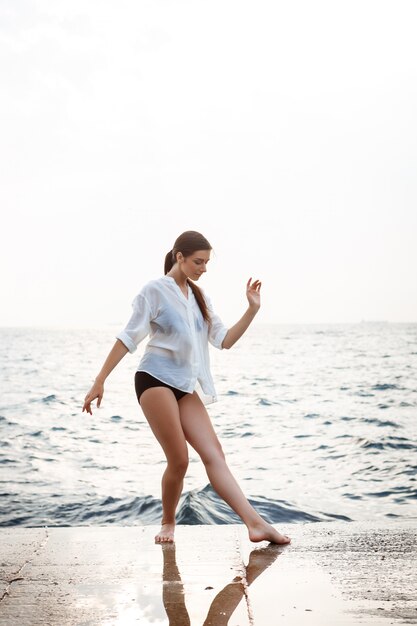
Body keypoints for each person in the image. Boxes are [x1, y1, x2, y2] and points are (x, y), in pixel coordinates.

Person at [82, 231, 291, 546]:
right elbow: (128, 337)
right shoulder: (154, 290)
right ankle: (168, 522)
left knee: (214, 455)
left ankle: (255, 524)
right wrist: (100, 379)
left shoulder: (200, 297)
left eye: (206, 262)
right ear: (179, 256)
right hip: (154, 379)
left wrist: (251, 309)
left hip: (183, 385)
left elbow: (224, 341)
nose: (203, 268)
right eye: (198, 261)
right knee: (179, 459)